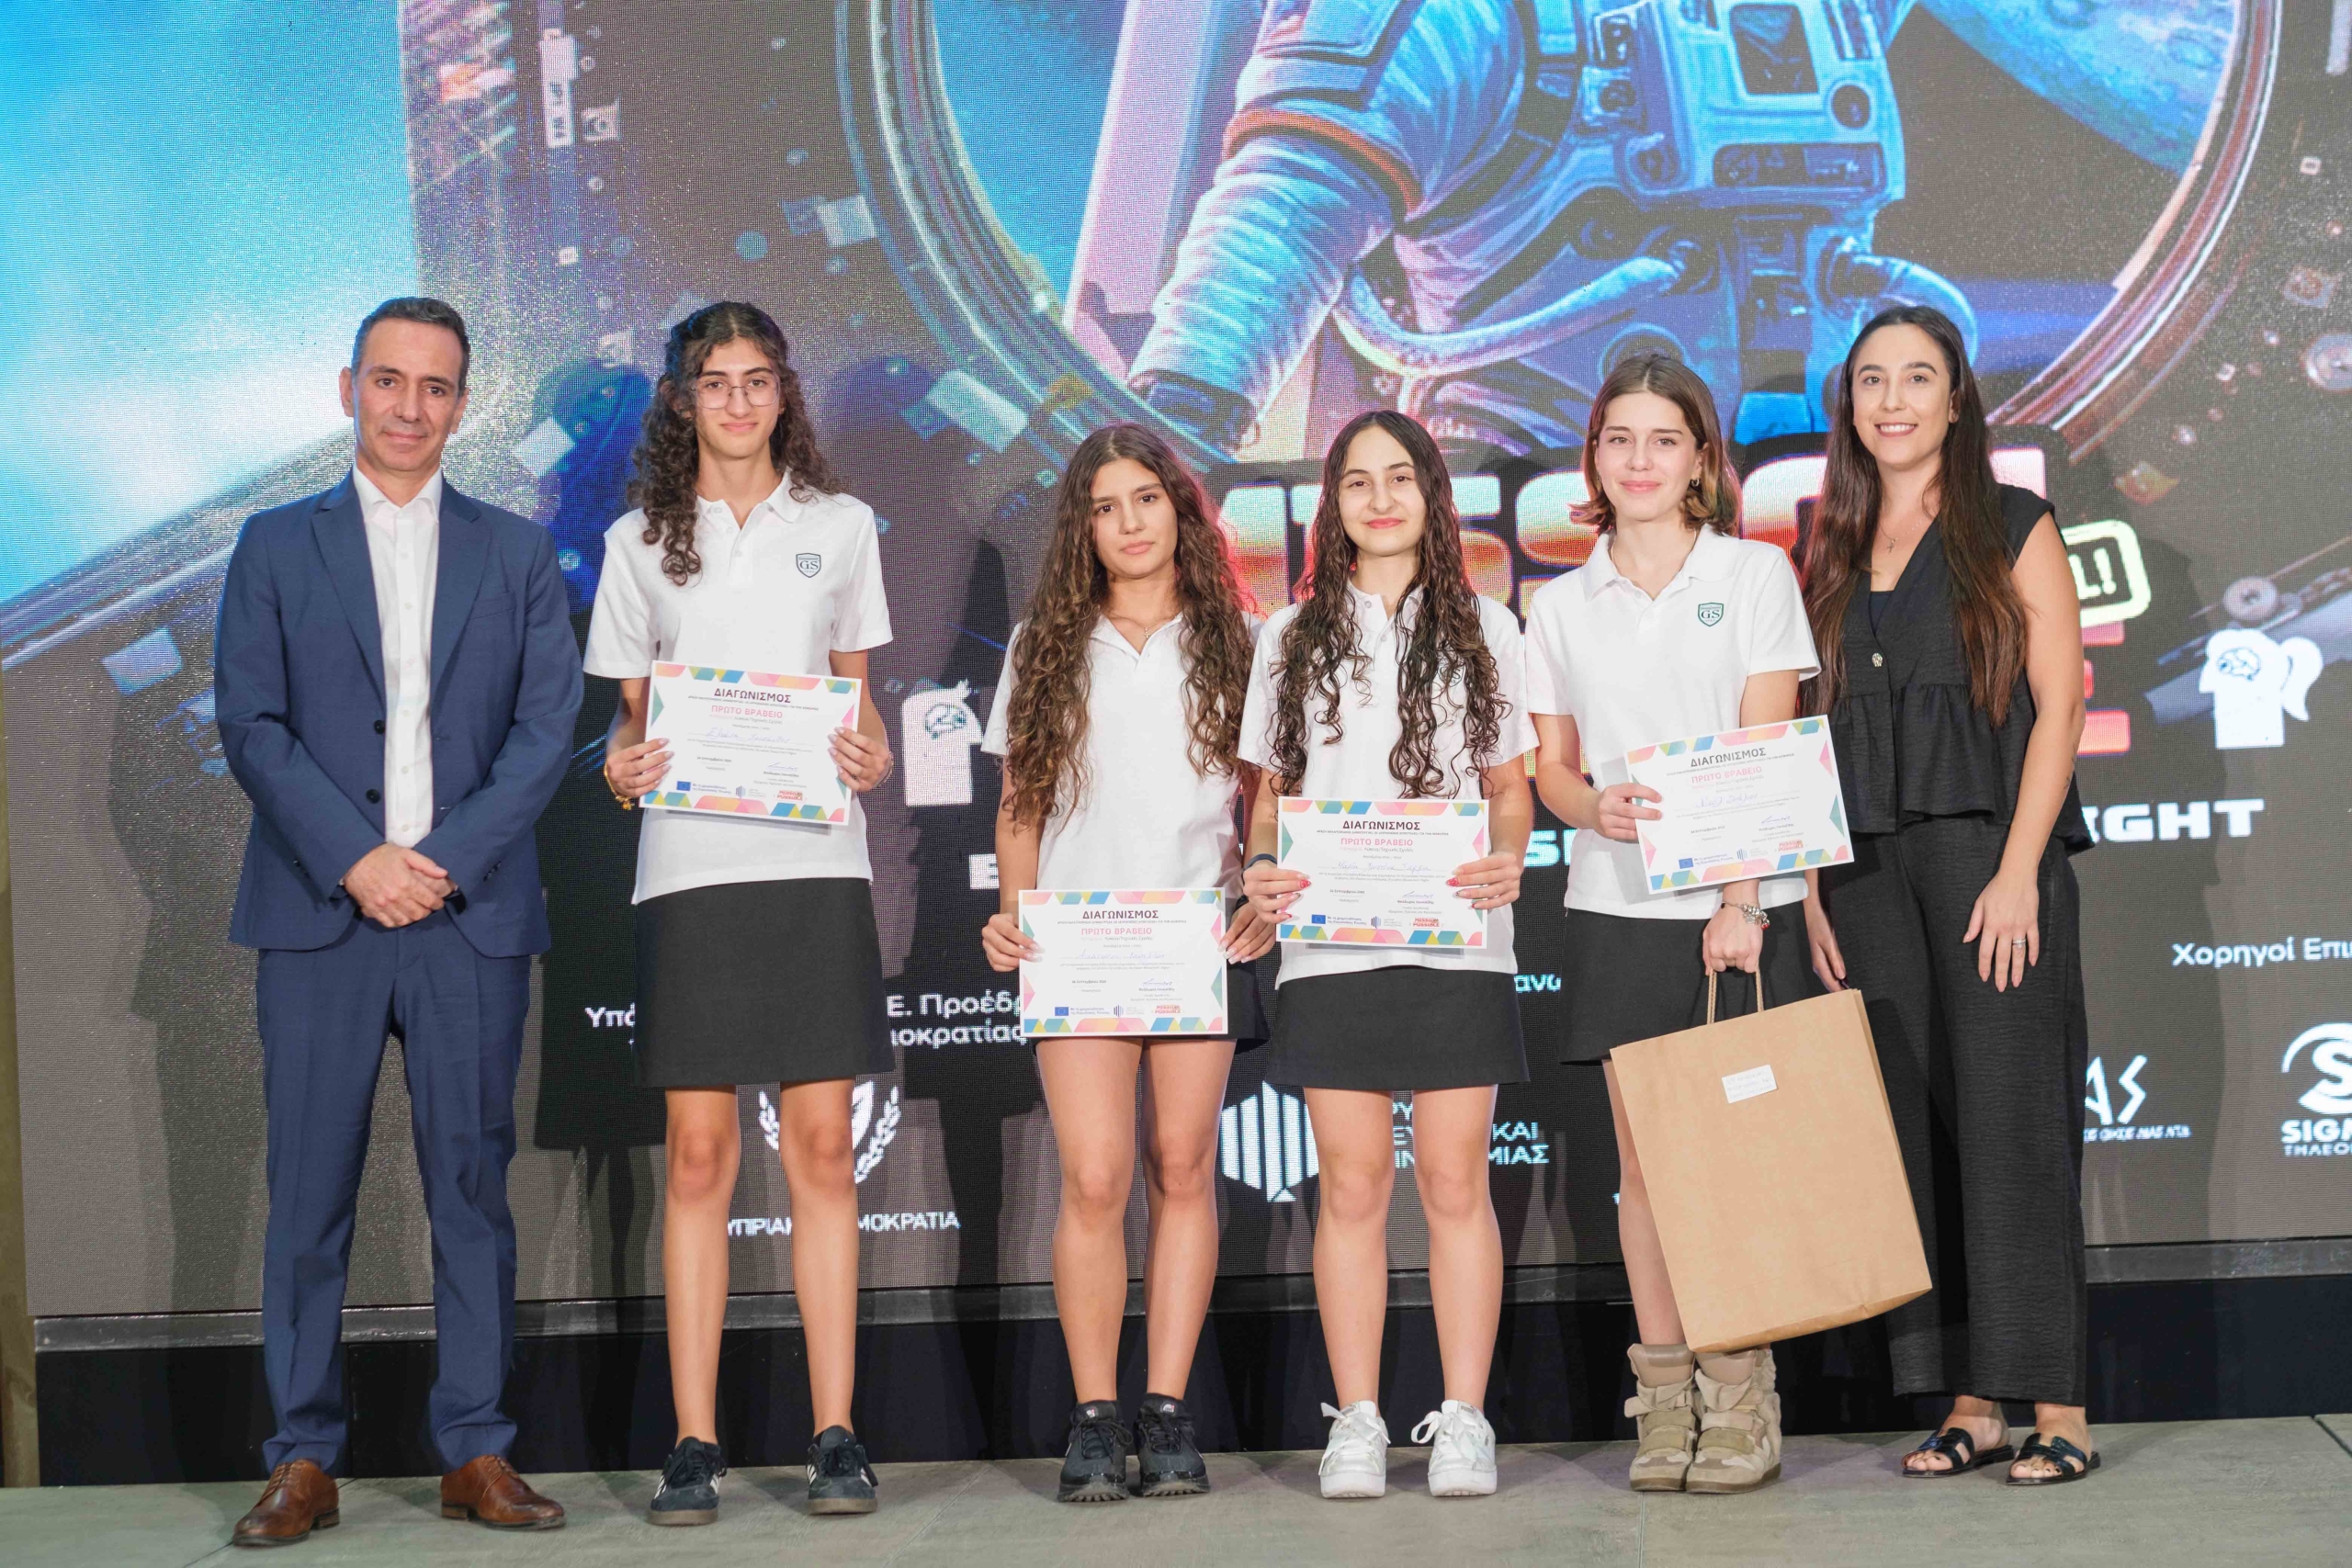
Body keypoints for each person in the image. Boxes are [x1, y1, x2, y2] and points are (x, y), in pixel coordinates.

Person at [216, 297, 582, 1546]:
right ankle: (301, 1456)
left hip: (465, 918)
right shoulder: (274, 544)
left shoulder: (516, 553)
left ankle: (476, 1446)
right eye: (388, 380)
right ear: (348, 390)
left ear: (463, 405)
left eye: (434, 386)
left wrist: (437, 863)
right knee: (307, 1195)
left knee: (471, 1189)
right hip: (321, 914)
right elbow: (252, 723)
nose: (409, 406)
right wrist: (359, 860)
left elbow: (544, 732)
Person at [589, 301, 897, 1522]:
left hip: (815, 862)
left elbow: (857, 702)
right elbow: (630, 724)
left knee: (821, 1146)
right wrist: (620, 765)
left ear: (783, 391)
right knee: (701, 1154)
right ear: (681, 398)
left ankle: (837, 1432)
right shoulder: (634, 542)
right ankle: (694, 1440)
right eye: (713, 381)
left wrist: (871, 750)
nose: (736, 401)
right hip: (691, 869)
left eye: (756, 378)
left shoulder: (843, 526)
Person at [1797, 305, 2096, 1485]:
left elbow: (2061, 704)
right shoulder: (1831, 544)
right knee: (1914, 1136)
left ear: (1956, 397)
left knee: (2012, 1126)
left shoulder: (2011, 523)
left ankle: (2058, 1407)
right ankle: (1969, 1403)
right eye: (1872, 380)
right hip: (1865, 873)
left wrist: (2020, 871)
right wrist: (1810, 886)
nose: (1893, 401)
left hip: (1988, 862)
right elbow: (1810, 734)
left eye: (1917, 377)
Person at [1522, 354, 1817, 1495]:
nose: (1638, 461)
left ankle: (1740, 1395)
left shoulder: (1752, 574)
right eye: (1618, 440)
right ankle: (1667, 1401)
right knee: (1644, 1172)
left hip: (1738, 910)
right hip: (1616, 906)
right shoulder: (1559, 603)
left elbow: (1764, 746)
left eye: (1662, 439)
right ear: (1593, 459)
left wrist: (1739, 900)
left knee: (1731, 1164)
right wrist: (1586, 805)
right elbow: (1550, 767)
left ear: (1700, 457)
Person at [1238, 409, 1534, 1501]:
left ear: (1430, 496)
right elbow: (1268, 797)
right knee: (1353, 1186)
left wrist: (1508, 858)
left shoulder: (1490, 627)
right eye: (1357, 482)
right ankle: (1356, 1419)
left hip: (1457, 939)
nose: (1379, 499)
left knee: (1455, 1181)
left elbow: (1510, 790)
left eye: (1398, 477)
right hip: (1331, 945)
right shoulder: (1288, 634)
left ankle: (1465, 1420)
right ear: (1333, 506)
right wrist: (1259, 866)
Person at [978, 423, 1275, 1502]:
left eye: (1145, 498)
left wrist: (1261, 883)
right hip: (1080, 945)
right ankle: (1096, 1418)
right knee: (1096, 1176)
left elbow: (1266, 794)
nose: (1129, 523)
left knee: (1183, 1167)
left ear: (1179, 508)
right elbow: (1020, 806)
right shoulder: (1043, 645)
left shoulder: (1242, 638)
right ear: (1083, 529)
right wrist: (1010, 915)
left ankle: (1167, 1408)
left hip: (1196, 936)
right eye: (1105, 508)